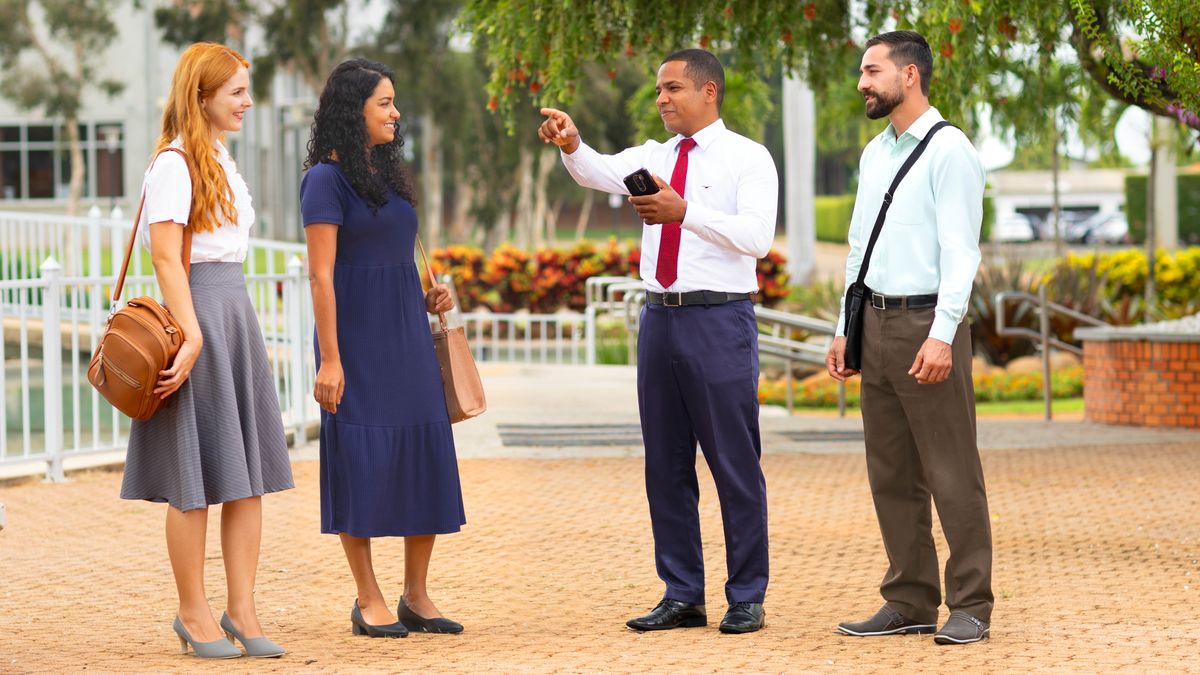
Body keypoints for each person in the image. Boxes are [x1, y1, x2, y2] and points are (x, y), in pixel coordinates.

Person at [539, 48, 778, 634]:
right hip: (660, 320)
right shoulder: (654, 155)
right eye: (659, 91)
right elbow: (599, 172)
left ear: (709, 92)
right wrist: (572, 142)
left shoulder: (749, 158)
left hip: (719, 321)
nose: (662, 99)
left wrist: (684, 211)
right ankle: (682, 593)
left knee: (734, 465)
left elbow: (757, 238)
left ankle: (746, 594)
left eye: (673, 89)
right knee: (665, 466)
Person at [119, 42, 293, 659]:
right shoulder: (173, 162)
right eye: (237, 92)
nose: (248, 102)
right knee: (192, 480)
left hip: (233, 311)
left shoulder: (219, 157)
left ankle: (241, 609)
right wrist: (191, 334)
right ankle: (193, 614)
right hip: (196, 312)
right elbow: (166, 255)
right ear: (202, 95)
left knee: (246, 478)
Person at [825, 30, 992, 645]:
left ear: (910, 76)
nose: (863, 82)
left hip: (928, 323)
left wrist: (943, 334)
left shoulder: (951, 151)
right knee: (891, 472)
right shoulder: (875, 153)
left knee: (951, 470)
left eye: (873, 71)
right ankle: (910, 600)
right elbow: (856, 247)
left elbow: (960, 250)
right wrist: (846, 326)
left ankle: (971, 604)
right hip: (874, 320)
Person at [300, 58, 465, 639]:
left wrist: (428, 295)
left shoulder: (394, 176)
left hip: (408, 337)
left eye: (395, 103)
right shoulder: (325, 179)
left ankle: (416, 595)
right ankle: (367, 596)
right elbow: (322, 276)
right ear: (354, 111)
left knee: (425, 452)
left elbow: (394, 254)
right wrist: (330, 358)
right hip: (356, 345)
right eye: (384, 104)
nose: (396, 114)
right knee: (362, 461)